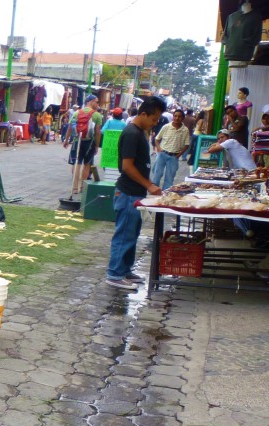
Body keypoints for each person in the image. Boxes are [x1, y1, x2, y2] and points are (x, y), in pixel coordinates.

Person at [106, 95, 166, 290]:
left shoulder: (140, 132)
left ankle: (125, 270)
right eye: (154, 119)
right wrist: (149, 185)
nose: (155, 123)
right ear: (143, 114)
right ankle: (115, 274)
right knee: (124, 234)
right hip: (128, 192)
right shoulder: (132, 133)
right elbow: (127, 167)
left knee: (132, 233)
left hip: (136, 193)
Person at [64, 94, 104, 188]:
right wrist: (96, 146)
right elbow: (97, 132)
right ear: (90, 101)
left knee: (76, 163)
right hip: (90, 142)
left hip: (77, 140)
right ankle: (82, 186)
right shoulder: (97, 115)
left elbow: (70, 128)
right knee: (87, 164)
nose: (97, 104)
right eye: (97, 101)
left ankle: (74, 187)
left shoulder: (77, 113)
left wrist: (66, 140)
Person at [151, 109, 191, 190]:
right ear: (173, 117)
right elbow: (157, 139)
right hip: (162, 154)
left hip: (174, 156)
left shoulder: (185, 130)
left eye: (179, 116)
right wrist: (159, 148)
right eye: (175, 116)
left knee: (170, 177)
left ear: (183, 118)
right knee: (157, 174)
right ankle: (154, 190)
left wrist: (179, 155)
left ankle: (166, 193)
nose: (177, 118)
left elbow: (187, 144)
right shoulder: (166, 127)